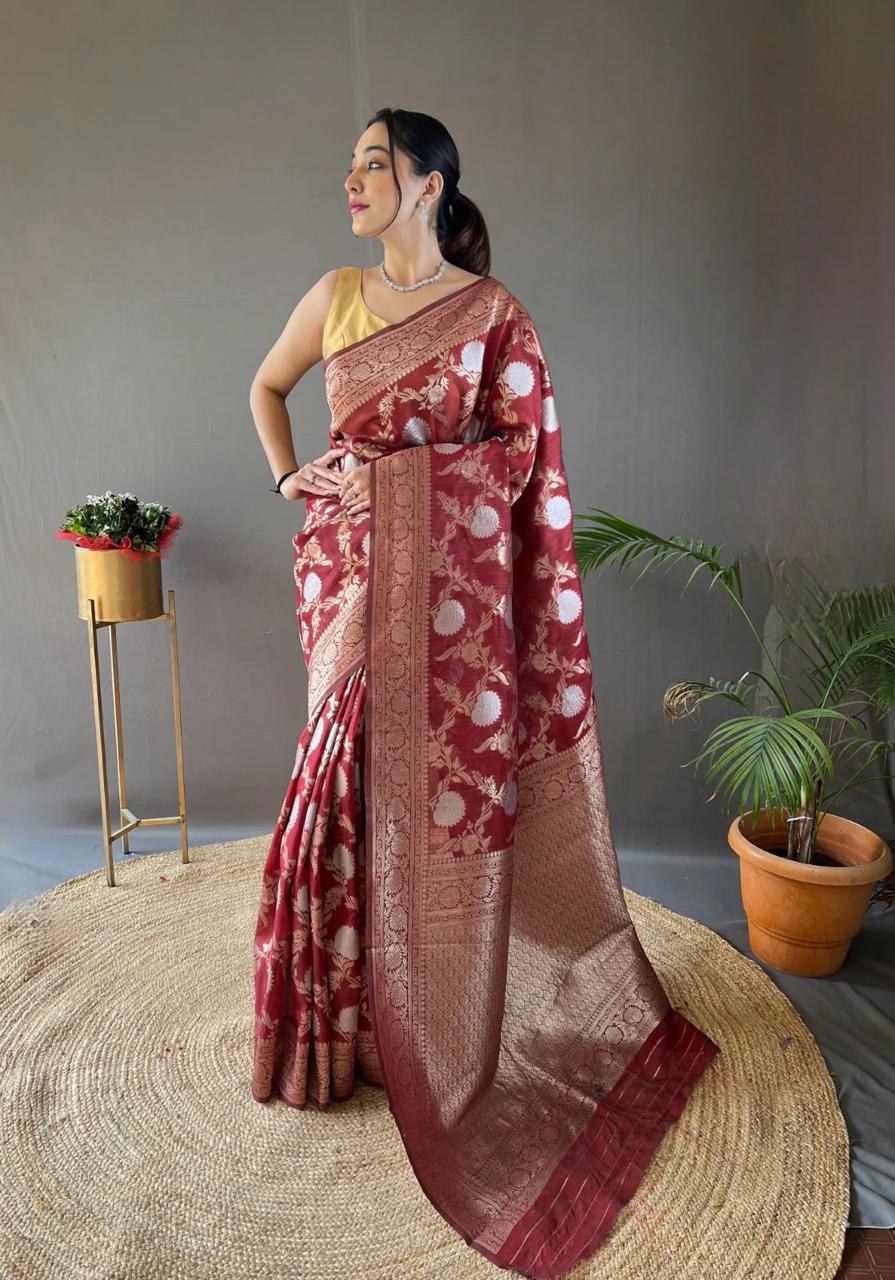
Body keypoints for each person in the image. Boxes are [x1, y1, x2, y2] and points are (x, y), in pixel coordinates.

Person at [248, 106, 719, 1280]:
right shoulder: (335, 294)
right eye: (351, 161)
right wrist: (293, 477)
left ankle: (423, 1013)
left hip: (444, 599)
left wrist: (405, 488)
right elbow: (267, 387)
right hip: (346, 579)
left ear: (429, 184)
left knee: (412, 796)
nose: (350, 177)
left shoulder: (493, 315)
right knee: (336, 778)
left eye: (374, 163)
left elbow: (522, 463)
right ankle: (339, 1016)